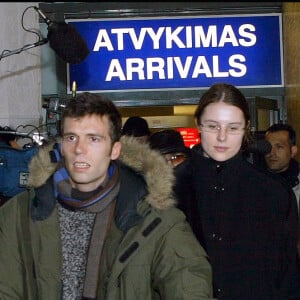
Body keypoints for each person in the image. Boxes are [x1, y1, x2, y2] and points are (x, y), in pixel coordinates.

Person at [0, 92, 213, 300]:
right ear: (61, 146)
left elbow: (188, 281)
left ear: (114, 150)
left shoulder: (155, 221)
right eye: (71, 137)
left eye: (93, 139)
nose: (79, 149)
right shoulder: (18, 215)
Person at [192, 83, 299, 299]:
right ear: (198, 125)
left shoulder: (273, 192)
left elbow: (288, 276)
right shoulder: (171, 189)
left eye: (233, 127)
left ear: (246, 128)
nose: (222, 137)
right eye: (213, 126)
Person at [149, 129, 197, 232]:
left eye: (176, 158)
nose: (169, 165)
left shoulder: (200, 189)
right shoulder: (147, 198)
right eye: (160, 161)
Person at [265, 123, 300, 209]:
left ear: (293, 151)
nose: (271, 153)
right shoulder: (255, 180)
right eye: (268, 147)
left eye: (279, 147)